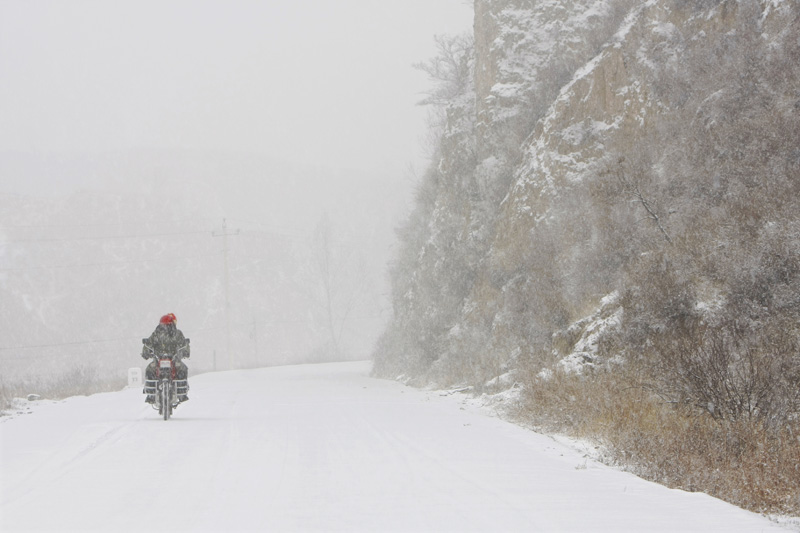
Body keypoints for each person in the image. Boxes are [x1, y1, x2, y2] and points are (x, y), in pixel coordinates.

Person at [142, 313, 190, 404]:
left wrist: (185, 351)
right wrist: (146, 352)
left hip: (174, 360)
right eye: (163, 325)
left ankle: (181, 392)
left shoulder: (177, 334)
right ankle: (151, 394)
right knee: (149, 370)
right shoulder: (156, 334)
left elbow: (184, 344)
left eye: (166, 325)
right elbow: (148, 344)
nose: (165, 327)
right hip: (158, 360)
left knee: (182, 369)